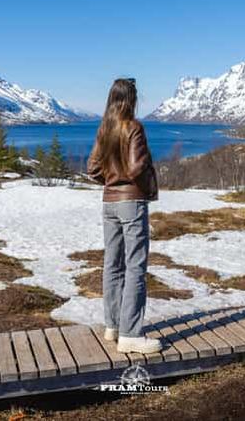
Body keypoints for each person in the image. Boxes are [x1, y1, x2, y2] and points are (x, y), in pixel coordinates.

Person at [87, 78, 161, 354]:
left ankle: (113, 326)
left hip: (109, 203)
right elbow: (135, 168)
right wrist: (144, 170)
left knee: (112, 264)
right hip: (132, 203)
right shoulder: (134, 127)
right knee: (135, 267)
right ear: (131, 99)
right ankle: (130, 335)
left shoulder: (104, 129)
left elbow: (93, 168)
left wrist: (111, 181)